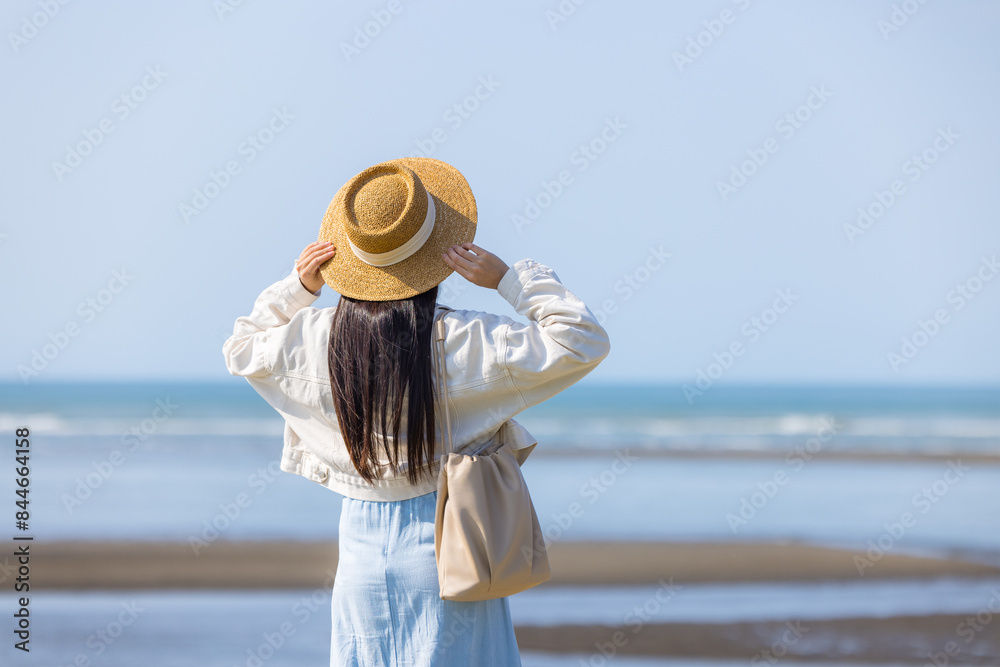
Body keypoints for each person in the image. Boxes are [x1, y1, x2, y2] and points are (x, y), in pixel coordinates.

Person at [222, 157, 611, 666]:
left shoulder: (314, 338)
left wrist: (299, 286)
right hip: (453, 544)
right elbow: (580, 340)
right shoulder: (464, 340)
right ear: (438, 257)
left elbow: (241, 348)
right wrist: (509, 281)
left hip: (359, 552)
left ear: (351, 256)